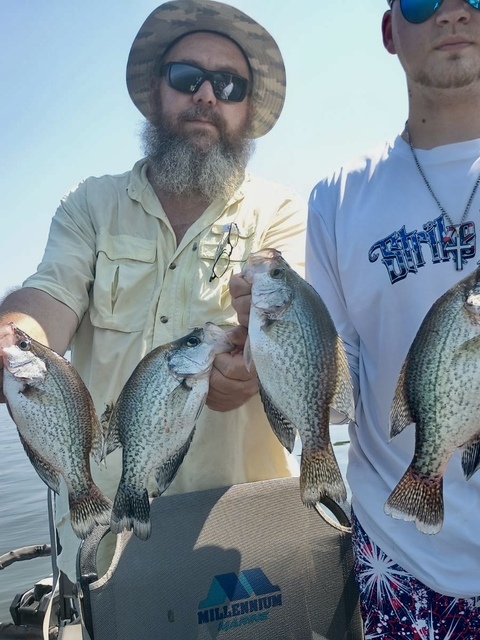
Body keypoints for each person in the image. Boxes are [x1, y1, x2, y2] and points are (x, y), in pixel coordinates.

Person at [0, 0, 305, 583]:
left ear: (246, 108)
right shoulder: (90, 203)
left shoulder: (281, 212)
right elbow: (48, 300)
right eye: (188, 78)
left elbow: (293, 338)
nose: (207, 96)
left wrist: (251, 372)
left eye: (230, 84)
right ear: (156, 90)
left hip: (240, 532)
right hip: (106, 537)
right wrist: (15, 338)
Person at [303, 0, 480, 636]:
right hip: (400, 560)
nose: (455, 12)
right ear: (389, 30)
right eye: (423, 0)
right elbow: (335, 371)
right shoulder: (336, 199)